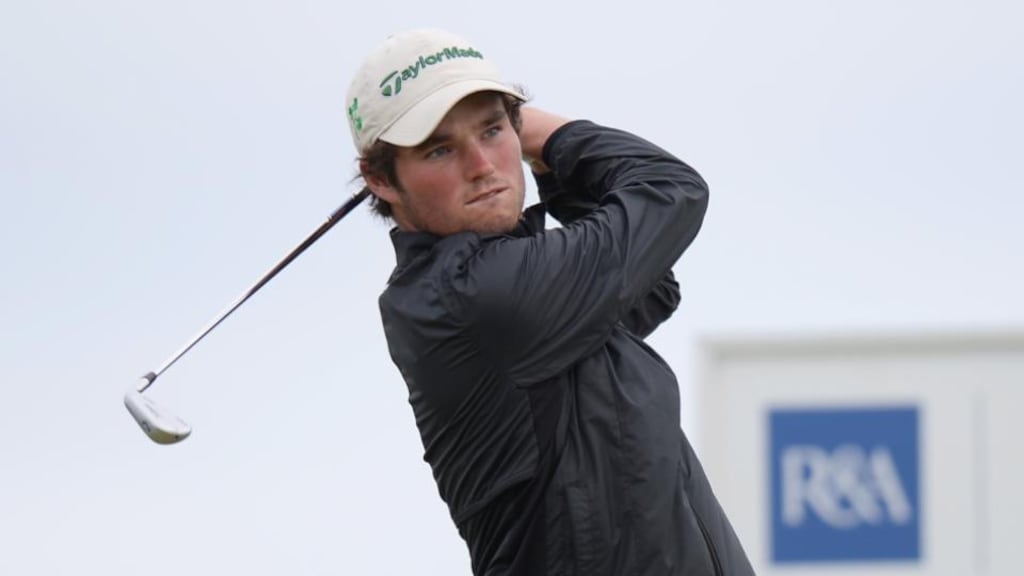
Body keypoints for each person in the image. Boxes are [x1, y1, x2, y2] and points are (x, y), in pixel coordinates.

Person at [346, 28, 755, 576]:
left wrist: (533, 152)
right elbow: (670, 189)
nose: (482, 165)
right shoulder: (476, 297)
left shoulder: (512, 282)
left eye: (491, 131)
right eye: (440, 148)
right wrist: (541, 137)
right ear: (381, 178)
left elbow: (653, 289)